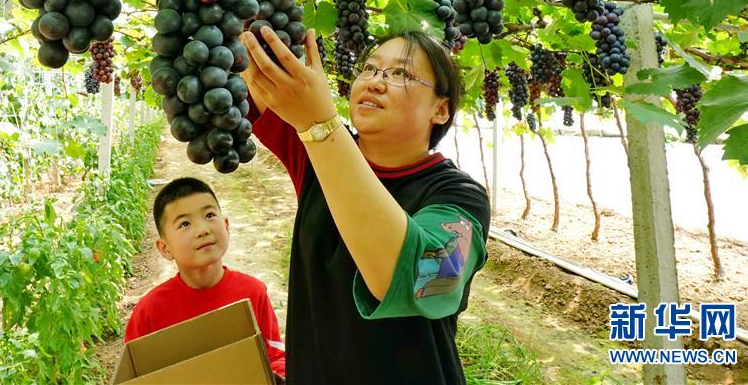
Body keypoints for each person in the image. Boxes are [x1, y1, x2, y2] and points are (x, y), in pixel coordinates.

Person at [241, 27, 491, 384]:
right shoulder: (316, 153)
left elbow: (423, 280)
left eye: (400, 73)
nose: (375, 82)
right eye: (370, 69)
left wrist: (320, 126)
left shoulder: (461, 198)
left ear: (440, 109)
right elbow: (254, 74)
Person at [124, 177, 286, 380]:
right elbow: (135, 376)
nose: (202, 230)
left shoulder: (252, 292)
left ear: (226, 225)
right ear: (165, 248)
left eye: (209, 215)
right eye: (184, 224)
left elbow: (274, 357)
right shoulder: (149, 312)